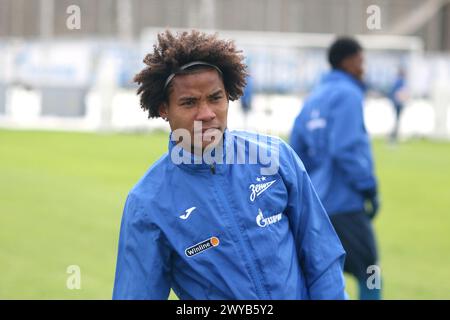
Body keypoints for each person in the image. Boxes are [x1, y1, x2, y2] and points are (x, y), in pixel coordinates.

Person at [112, 30, 346, 300]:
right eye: (189, 103)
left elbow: (322, 257)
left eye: (215, 98)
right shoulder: (148, 203)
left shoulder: (276, 158)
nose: (207, 114)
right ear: (164, 108)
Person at [289, 37, 381, 300]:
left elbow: (296, 152)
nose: (364, 68)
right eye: (361, 61)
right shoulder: (349, 94)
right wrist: (369, 188)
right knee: (370, 273)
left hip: (315, 204)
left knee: (325, 275)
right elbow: (345, 149)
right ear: (349, 62)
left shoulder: (313, 98)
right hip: (345, 202)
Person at [388, 67, 407, 143]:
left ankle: (393, 137)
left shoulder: (399, 81)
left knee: (397, 121)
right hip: (398, 104)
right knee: (397, 121)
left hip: (397, 103)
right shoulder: (400, 81)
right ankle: (392, 137)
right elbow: (398, 93)